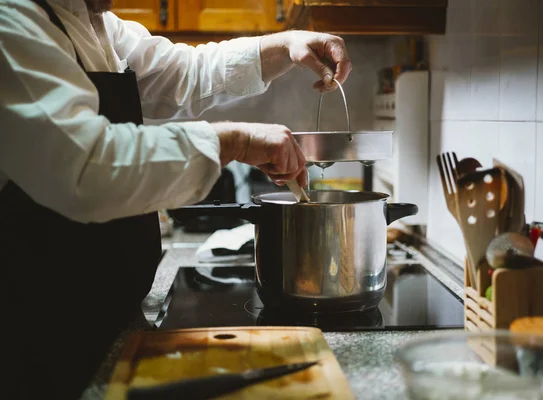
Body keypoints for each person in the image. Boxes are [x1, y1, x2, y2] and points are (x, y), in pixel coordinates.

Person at [0, 0, 352, 398]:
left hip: (101, 318)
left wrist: (287, 44)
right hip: (32, 332)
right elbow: (86, 166)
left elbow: (184, 72)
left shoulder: (92, 20)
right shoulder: (11, 21)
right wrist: (235, 141)